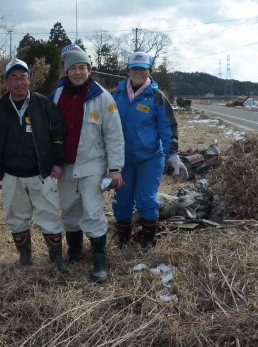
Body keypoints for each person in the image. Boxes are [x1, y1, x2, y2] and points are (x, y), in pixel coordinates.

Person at [0, 59, 69, 273]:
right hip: (11, 174)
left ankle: (56, 257)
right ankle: (24, 256)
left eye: (23, 77)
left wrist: (58, 162)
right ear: (6, 82)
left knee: (49, 214)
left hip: (41, 172)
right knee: (16, 215)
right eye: (14, 78)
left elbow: (58, 133)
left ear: (30, 79)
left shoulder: (44, 104)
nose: (19, 82)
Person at [49, 44, 125, 283]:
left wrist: (115, 169)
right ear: (66, 71)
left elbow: (114, 134)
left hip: (92, 163)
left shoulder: (102, 97)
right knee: (69, 208)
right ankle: (74, 250)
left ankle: (100, 259)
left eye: (82, 67)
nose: (78, 72)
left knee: (92, 210)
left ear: (89, 70)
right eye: (73, 68)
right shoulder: (57, 93)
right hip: (65, 164)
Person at [111, 52, 188, 250]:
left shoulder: (156, 97)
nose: (139, 72)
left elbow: (167, 127)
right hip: (123, 160)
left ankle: (148, 242)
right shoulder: (115, 96)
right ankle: (123, 242)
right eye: (135, 68)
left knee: (145, 200)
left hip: (150, 159)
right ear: (128, 70)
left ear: (150, 71)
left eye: (143, 69)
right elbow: (106, 127)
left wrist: (172, 154)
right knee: (122, 201)